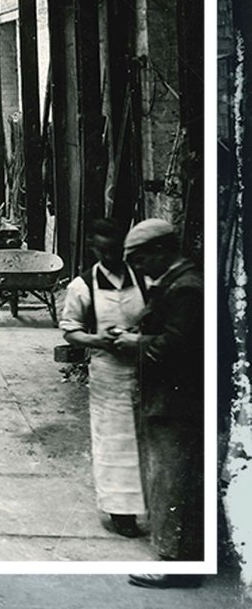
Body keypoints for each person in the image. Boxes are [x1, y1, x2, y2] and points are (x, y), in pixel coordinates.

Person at [113, 219, 204, 588]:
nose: (138, 268)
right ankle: (179, 555)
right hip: (171, 398)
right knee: (172, 476)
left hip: (177, 400)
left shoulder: (186, 288)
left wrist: (138, 345)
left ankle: (176, 564)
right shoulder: (174, 283)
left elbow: (178, 345)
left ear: (161, 251)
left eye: (140, 258)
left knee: (173, 478)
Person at [60, 219, 147, 538]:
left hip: (143, 367)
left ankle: (150, 502)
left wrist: (138, 337)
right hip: (108, 372)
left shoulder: (142, 278)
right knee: (114, 440)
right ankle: (121, 512)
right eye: (104, 249)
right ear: (94, 248)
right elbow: (70, 332)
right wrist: (99, 340)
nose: (110, 255)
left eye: (116, 249)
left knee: (146, 437)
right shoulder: (82, 286)